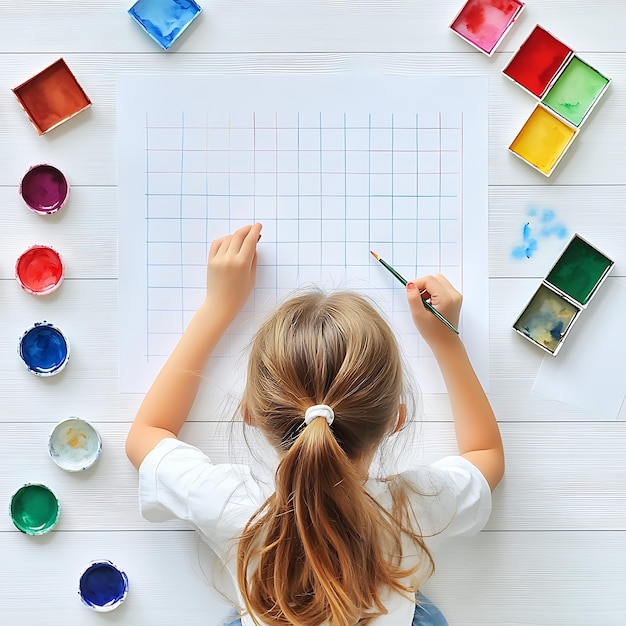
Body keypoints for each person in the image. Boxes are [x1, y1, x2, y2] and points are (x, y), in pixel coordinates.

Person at [126, 222, 504, 626]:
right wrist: (446, 338)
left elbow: (145, 437)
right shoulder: (410, 509)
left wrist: (217, 307)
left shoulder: (233, 506)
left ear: (249, 412)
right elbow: (487, 456)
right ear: (396, 418)